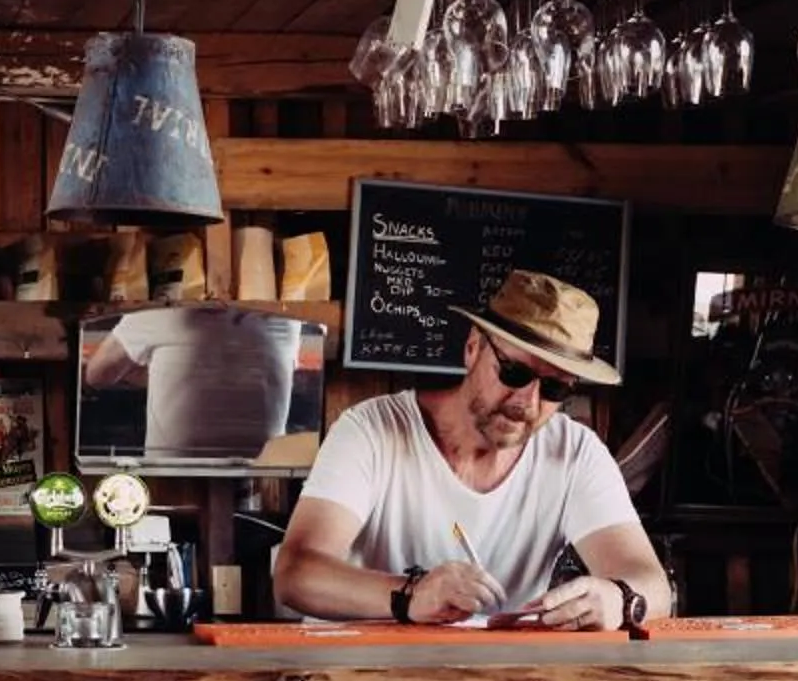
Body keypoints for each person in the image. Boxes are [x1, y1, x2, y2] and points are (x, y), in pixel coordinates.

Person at [276, 269, 672, 628]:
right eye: (515, 372)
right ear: (472, 349)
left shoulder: (575, 453)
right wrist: (409, 595)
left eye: (554, 389)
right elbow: (295, 575)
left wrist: (620, 600)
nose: (527, 403)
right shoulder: (372, 431)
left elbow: (654, 586)